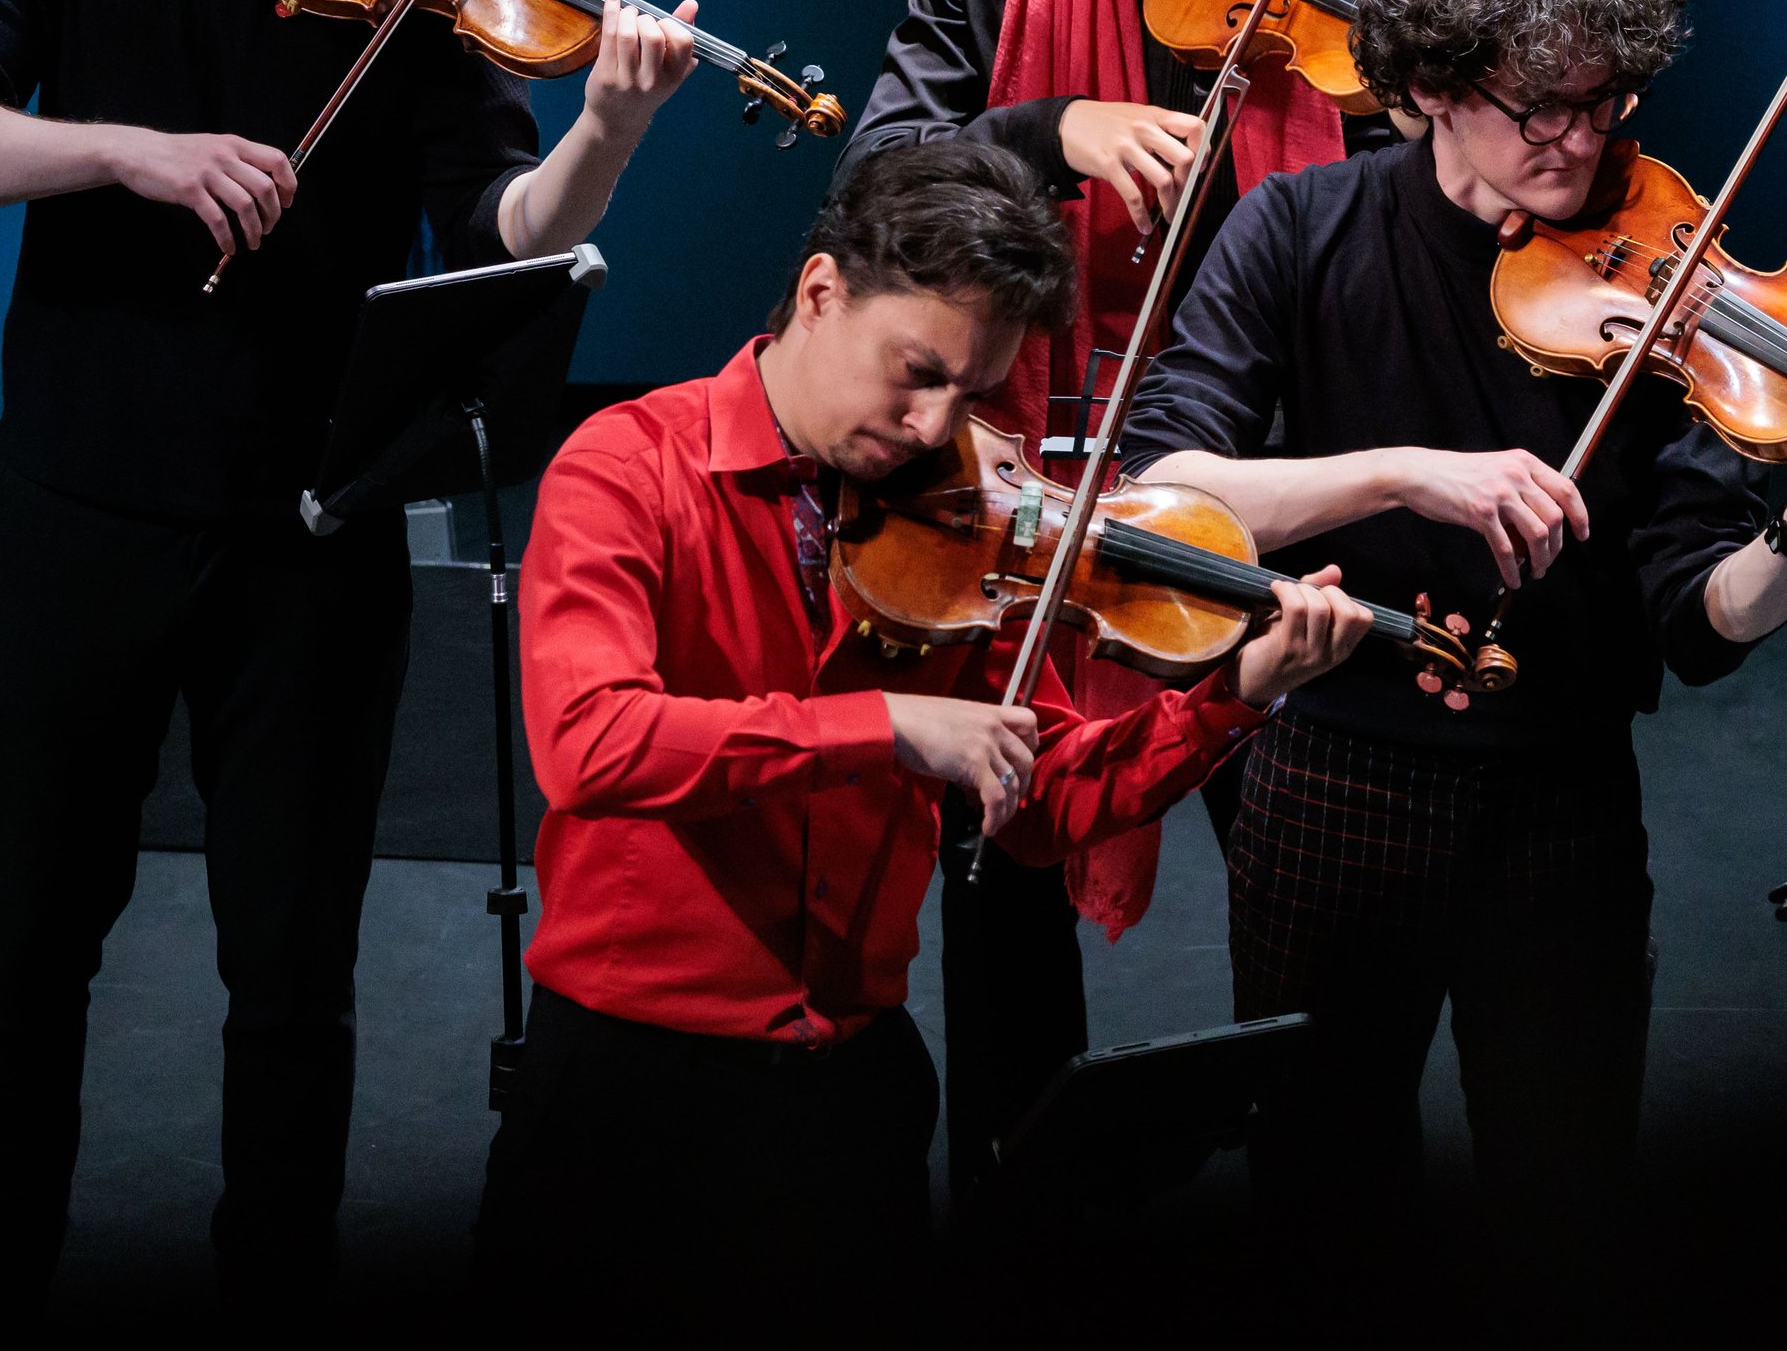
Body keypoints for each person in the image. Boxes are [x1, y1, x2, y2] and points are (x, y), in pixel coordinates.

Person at [0, 0, 700, 1311]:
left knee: (298, 975)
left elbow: (499, 234)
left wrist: (609, 126)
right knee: (22, 952)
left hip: (312, 535)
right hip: (75, 511)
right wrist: (122, 148)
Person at [1118, 0, 1787, 1325]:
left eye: (1608, 99)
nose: (1583, 138)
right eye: (1538, 103)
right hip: (1332, 786)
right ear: (1431, 79)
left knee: (1566, 1214)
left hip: (1561, 809)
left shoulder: (1661, 283)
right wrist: (1405, 472)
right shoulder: (1296, 231)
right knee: (1323, 1205)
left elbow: (1698, 623)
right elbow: (1156, 498)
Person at [472, 136, 1380, 1334]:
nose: (932, 424)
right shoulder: (627, 467)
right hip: (628, 1082)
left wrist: (1237, 691)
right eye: (916, 371)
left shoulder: (965, 523)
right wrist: (883, 726)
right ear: (818, 291)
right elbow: (592, 744)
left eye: (973, 392)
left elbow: (1045, 800)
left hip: (852, 1084)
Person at [835, 0, 1404, 1197]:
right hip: (1026, 482)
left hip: (1252, 467)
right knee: (1006, 865)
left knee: (1299, 865)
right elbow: (872, 183)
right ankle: (1028, 1206)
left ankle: (1326, 1204)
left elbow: (1422, 206)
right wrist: (1046, 130)